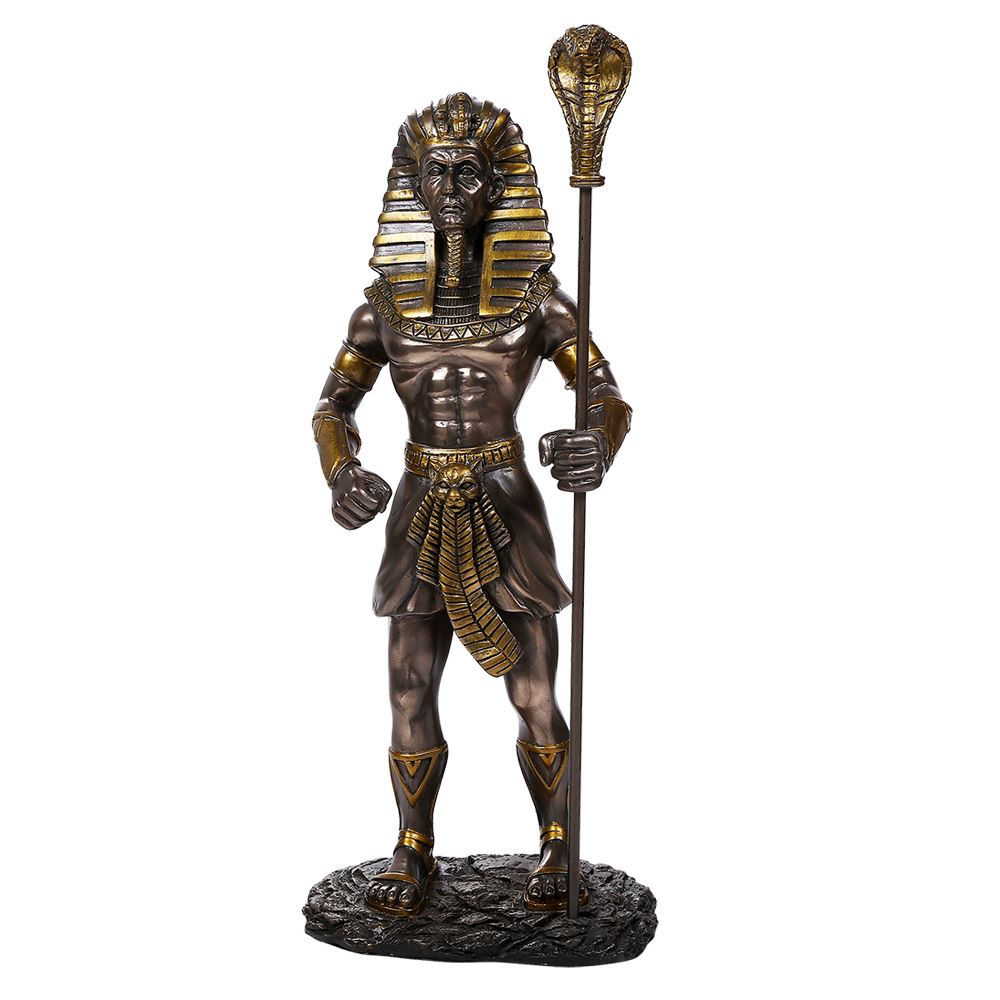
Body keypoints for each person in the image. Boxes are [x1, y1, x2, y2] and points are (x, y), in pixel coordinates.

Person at [313, 93, 631, 915]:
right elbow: (332, 406)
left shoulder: (539, 303)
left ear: (498, 188)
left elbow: (604, 391)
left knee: (533, 690)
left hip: (504, 500)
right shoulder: (381, 310)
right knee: (408, 684)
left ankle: (557, 839)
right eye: (436, 173)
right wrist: (341, 470)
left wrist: (597, 440)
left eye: (468, 173)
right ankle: (412, 847)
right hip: (419, 499)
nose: (451, 188)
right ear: (413, 187)